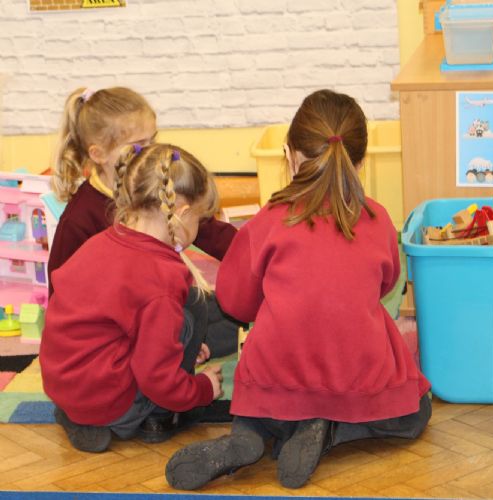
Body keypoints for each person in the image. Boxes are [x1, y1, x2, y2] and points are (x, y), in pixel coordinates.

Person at [166, 89, 432, 490]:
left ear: (290, 156)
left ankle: (249, 438)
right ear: (360, 163)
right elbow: (387, 283)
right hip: (356, 374)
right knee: (416, 411)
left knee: (261, 399)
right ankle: (332, 430)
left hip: (275, 379)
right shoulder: (377, 218)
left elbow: (236, 302)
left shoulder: (269, 220)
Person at [40, 144, 225, 453]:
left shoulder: (97, 244)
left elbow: (108, 325)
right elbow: (156, 377)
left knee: (175, 320)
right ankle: (155, 418)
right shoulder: (162, 278)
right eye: (200, 219)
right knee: (192, 309)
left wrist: (172, 345)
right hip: (113, 401)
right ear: (182, 214)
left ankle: (80, 416)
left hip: (63, 386)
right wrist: (202, 389)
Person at [48, 86, 241, 358]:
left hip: (160, 300)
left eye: (153, 140)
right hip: (122, 327)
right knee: (208, 321)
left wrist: (257, 255)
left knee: (229, 306)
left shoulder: (158, 182)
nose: (150, 152)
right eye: (139, 146)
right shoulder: (79, 219)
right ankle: (186, 350)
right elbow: (60, 300)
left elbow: (207, 229)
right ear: (98, 154)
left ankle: (195, 343)